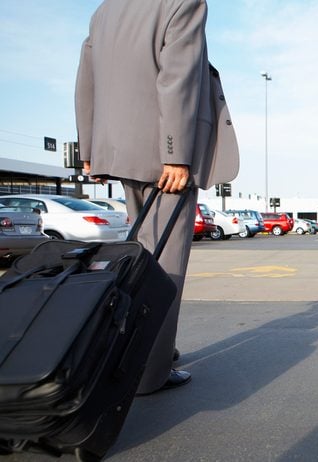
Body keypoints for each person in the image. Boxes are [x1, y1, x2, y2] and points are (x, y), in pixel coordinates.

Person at [75, 0, 239, 394]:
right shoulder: (181, 2)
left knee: (141, 254)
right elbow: (177, 77)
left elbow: (86, 82)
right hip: (162, 158)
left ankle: (143, 347)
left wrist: (89, 149)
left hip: (118, 150)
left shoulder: (105, 11)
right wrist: (176, 153)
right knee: (165, 266)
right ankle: (149, 370)